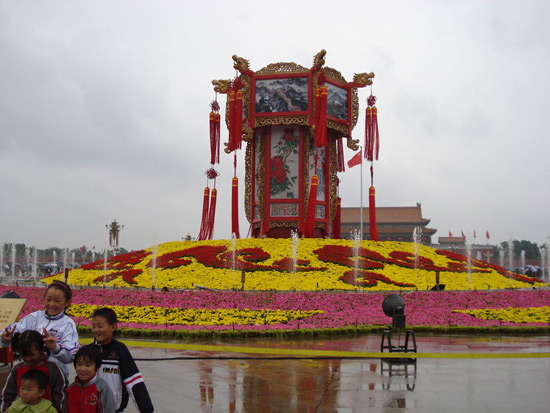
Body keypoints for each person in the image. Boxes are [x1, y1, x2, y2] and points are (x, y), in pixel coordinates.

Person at [0, 280, 79, 379]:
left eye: (57, 301)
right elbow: (11, 330)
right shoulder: (35, 317)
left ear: (67, 302)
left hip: (53, 378)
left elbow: (71, 355)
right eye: (48, 299)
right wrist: (5, 338)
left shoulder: (68, 324)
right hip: (29, 376)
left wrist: (55, 347)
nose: (51, 304)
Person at [92, 308, 154, 413]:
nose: (96, 330)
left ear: (113, 327)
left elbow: (133, 381)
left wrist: (146, 409)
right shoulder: (90, 351)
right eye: (93, 326)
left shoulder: (120, 350)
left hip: (114, 409)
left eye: (100, 326)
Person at [1, 330, 65, 411]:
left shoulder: (52, 369)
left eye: (31, 355)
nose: (27, 358)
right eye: (24, 355)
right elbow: (7, 395)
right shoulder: (17, 369)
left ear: (41, 349)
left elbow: (59, 394)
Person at [64, 344, 115, 413]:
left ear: (97, 367)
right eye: (79, 364)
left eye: (87, 365)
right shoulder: (70, 389)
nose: (83, 369)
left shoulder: (102, 388)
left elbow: (109, 410)